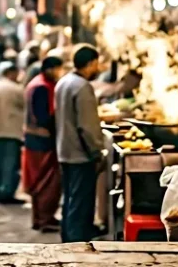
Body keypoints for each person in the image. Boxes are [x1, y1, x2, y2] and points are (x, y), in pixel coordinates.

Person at [54, 45, 106, 243]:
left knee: (70, 199)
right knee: (80, 201)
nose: (98, 68)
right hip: (80, 153)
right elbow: (87, 125)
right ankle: (76, 241)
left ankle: (68, 236)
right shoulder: (82, 86)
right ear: (91, 63)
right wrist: (96, 151)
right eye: (96, 64)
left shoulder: (64, 82)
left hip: (65, 150)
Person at [23, 55, 63, 232]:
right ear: (50, 69)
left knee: (41, 181)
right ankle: (44, 219)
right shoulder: (41, 87)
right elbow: (43, 117)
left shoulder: (37, 83)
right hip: (42, 140)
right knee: (46, 182)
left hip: (36, 138)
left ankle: (42, 218)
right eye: (58, 69)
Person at [0, 61, 26, 204]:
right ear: (11, 73)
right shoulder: (17, 89)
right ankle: (6, 192)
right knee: (10, 164)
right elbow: (25, 108)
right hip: (12, 131)